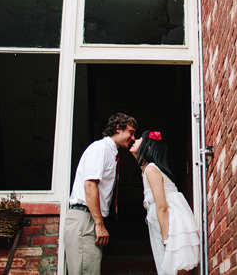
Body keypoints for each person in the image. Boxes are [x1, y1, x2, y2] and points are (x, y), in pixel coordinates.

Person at [64, 113, 138, 275]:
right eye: (131, 132)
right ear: (118, 129)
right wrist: (99, 225)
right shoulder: (100, 149)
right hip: (85, 219)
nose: (133, 138)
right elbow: (90, 185)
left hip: (88, 218)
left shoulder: (110, 152)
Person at [130, 131, 200, 275]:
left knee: (175, 266)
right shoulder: (148, 169)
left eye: (139, 139)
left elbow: (161, 207)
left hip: (171, 223)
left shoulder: (151, 169)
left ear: (148, 147)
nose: (135, 140)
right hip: (165, 222)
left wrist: (166, 239)